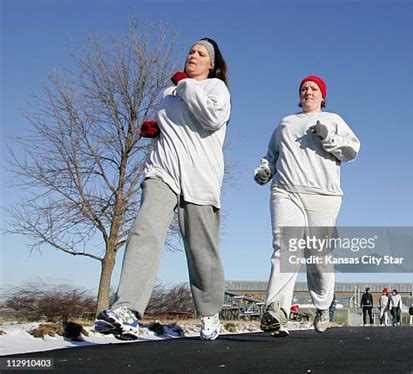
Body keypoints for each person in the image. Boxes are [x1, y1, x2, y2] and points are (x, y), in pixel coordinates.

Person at [94, 38, 231, 341]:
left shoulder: (215, 89)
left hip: (199, 177)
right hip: (162, 170)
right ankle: (127, 310)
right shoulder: (166, 92)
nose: (192, 56)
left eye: (200, 53)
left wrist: (186, 86)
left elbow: (211, 118)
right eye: (191, 52)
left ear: (212, 64)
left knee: (200, 250)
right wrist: (154, 130)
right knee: (145, 232)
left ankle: (209, 311)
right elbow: (174, 123)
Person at [254, 75, 360, 337]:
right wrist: (265, 170)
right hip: (286, 191)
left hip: (323, 195)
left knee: (317, 255)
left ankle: (323, 304)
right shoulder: (285, 124)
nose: (308, 92)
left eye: (314, 89)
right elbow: (271, 155)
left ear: (323, 96)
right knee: (285, 247)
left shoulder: (334, 120)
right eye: (304, 89)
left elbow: (351, 151)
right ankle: (276, 310)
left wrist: (328, 137)